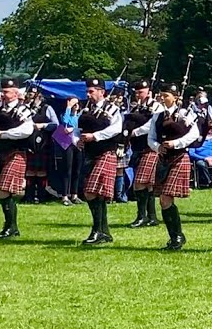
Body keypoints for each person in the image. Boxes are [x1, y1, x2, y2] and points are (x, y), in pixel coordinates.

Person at [138, 83, 200, 251]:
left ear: (175, 97)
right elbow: (151, 138)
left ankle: (177, 236)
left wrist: (176, 143)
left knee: (166, 198)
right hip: (163, 158)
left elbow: (194, 134)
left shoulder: (185, 114)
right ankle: (175, 236)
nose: (163, 98)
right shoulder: (157, 116)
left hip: (179, 157)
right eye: (162, 95)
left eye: (166, 96)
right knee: (163, 201)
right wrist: (158, 147)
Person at [75, 78, 124, 245]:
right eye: (87, 91)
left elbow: (116, 129)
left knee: (92, 192)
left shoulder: (112, 109)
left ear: (101, 92)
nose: (88, 94)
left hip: (105, 152)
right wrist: (77, 141)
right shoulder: (85, 110)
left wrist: (95, 136)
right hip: (89, 154)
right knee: (94, 194)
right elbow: (76, 130)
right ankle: (104, 231)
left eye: (92, 91)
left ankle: (97, 231)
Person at [0, 79, 35, 239]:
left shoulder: (24, 110)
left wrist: (4, 134)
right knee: (1, 191)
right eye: (3, 91)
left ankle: (11, 227)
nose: (3, 94)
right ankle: (11, 226)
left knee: (4, 190)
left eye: (7, 91)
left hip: (17, 152)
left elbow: (26, 131)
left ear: (16, 93)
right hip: (1, 152)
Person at [123, 80, 163, 228]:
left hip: (150, 148)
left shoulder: (157, 106)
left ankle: (142, 217)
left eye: (141, 92)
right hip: (137, 149)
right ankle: (151, 217)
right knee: (147, 184)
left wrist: (135, 132)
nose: (138, 95)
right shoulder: (136, 107)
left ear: (149, 92)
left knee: (140, 183)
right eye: (137, 92)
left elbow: (152, 125)